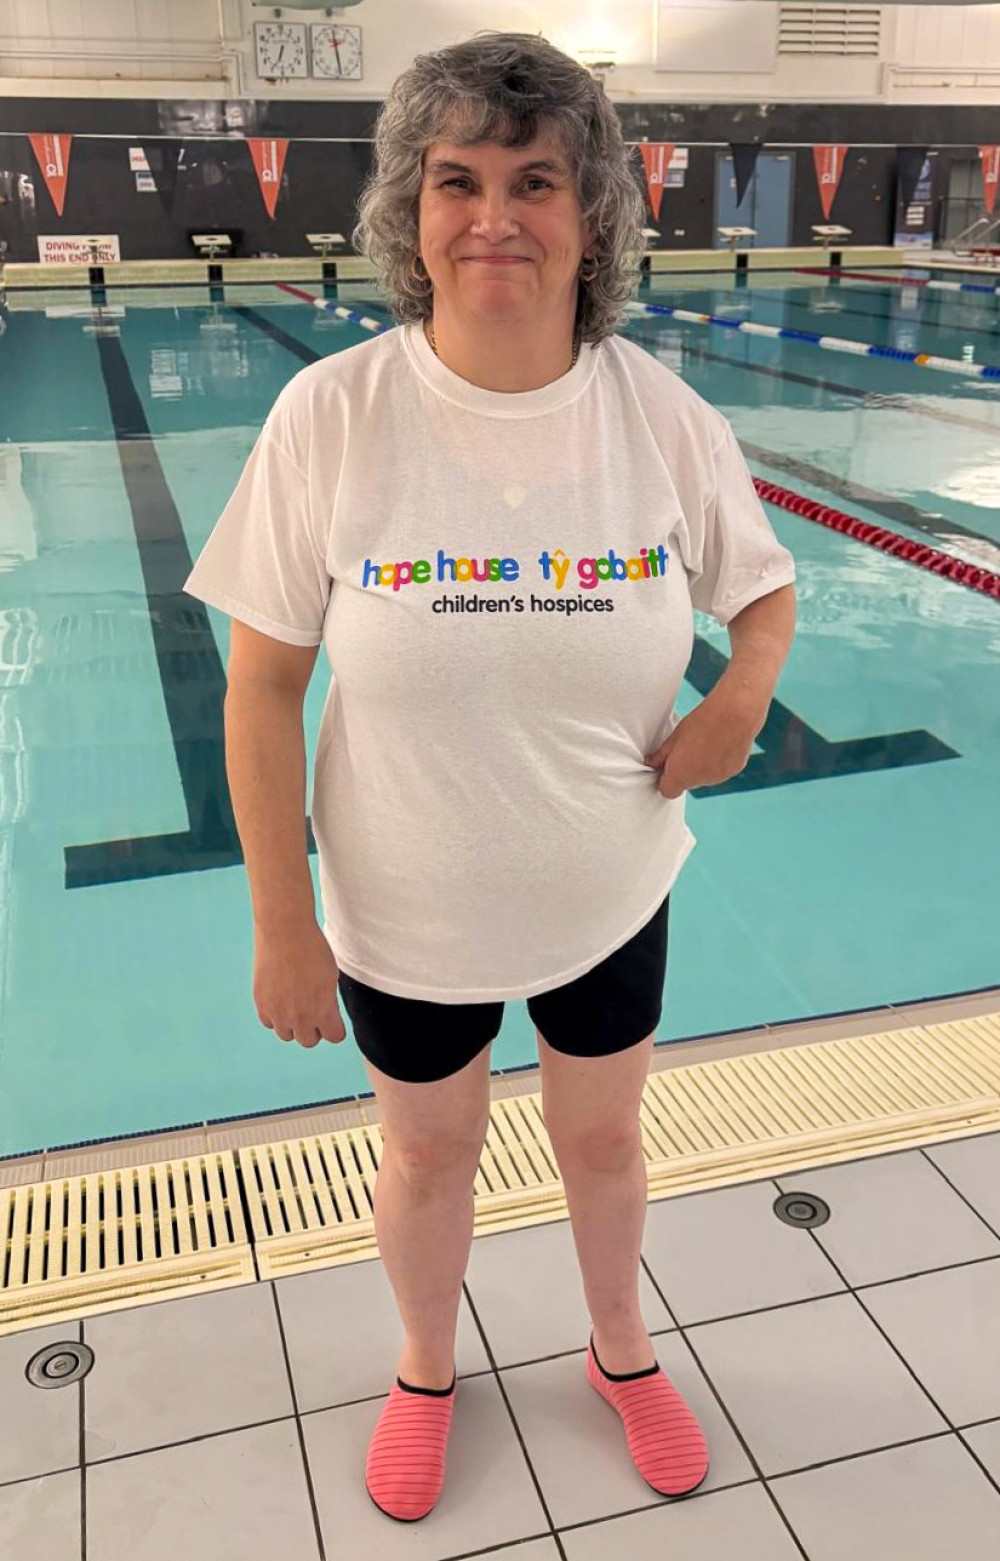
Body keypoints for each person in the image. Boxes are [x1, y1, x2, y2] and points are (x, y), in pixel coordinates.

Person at [184, 31, 796, 1524]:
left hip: (608, 887)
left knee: (602, 1139)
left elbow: (765, 590)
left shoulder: (659, 414)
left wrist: (738, 709)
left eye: (534, 180)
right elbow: (262, 687)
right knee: (426, 1151)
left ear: (592, 212)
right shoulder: (332, 417)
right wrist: (282, 922)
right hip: (403, 910)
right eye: (456, 181)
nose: (493, 216)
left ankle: (620, 1344)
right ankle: (423, 1365)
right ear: (411, 210)